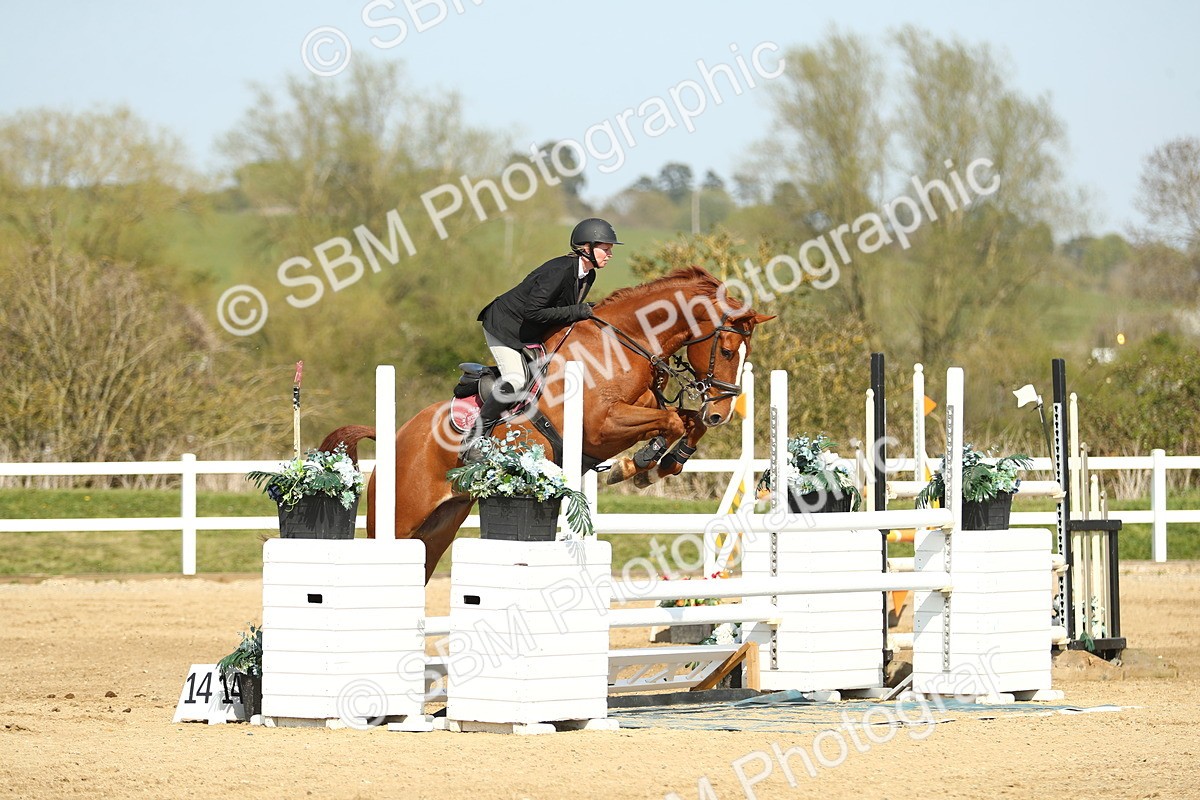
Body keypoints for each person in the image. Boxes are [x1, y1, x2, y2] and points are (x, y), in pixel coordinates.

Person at [475, 217, 622, 423]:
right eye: (606, 249)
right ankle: (476, 433)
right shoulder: (559, 271)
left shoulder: (588, 275)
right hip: (505, 326)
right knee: (516, 380)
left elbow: (564, 312)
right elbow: (534, 312)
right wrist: (579, 311)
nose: (610, 255)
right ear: (586, 248)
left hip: (529, 330)